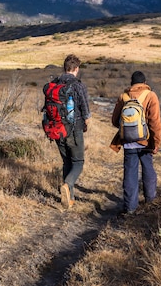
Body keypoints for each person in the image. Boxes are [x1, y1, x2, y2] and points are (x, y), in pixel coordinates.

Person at [110, 71, 161, 215]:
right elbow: (155, 123)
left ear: (131, 83)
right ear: (145, 83)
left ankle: (130, 207)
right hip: (146, 142)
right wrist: (156, 143)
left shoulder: (123, 97)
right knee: (148, 169)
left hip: (128, 142)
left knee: (130, 173)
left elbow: (115, 121)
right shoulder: (151, 96)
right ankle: (150, 200)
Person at [55, 54, 91, 209]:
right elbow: (85, 110)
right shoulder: (78, 85)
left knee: (67, 162)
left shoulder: (54, 83)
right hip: (73, 129)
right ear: (76, 69)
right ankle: (67, 185)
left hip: (57, 129)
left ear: (65, 68)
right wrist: (86, 125)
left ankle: (70, 198)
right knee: (78, 162)